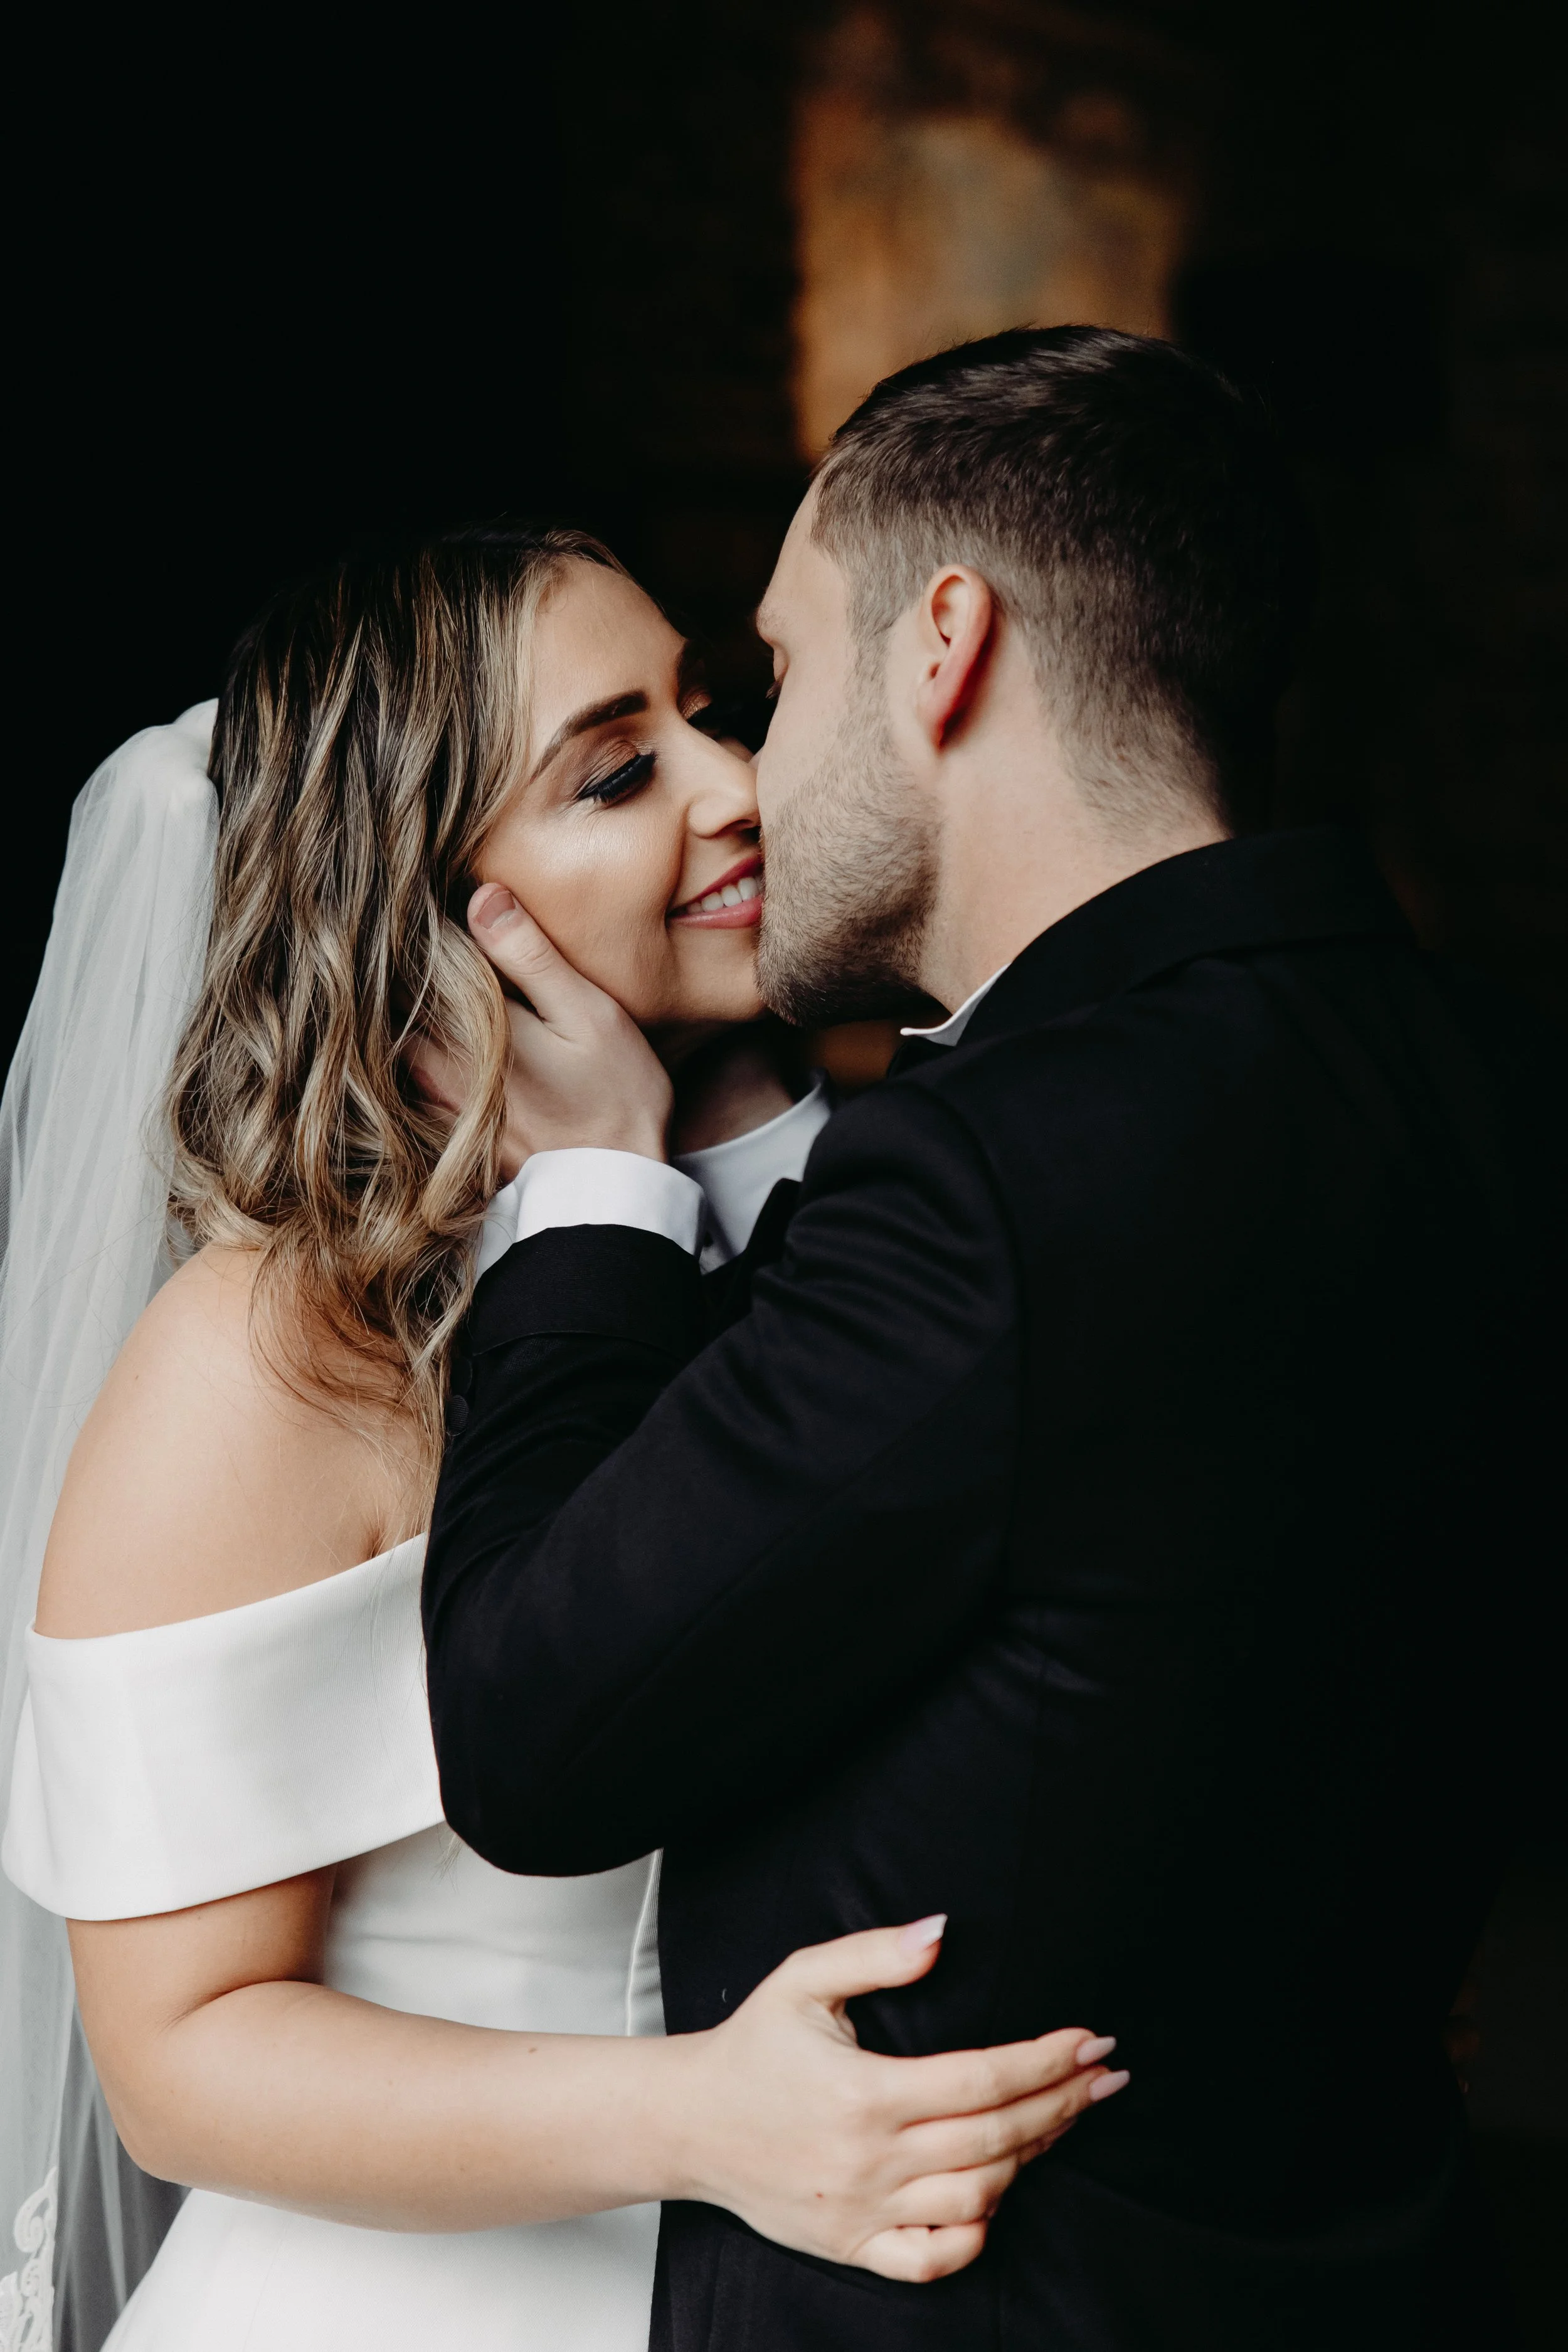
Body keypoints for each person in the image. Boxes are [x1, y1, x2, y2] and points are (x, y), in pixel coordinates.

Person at [422, 330, 1564, 2350]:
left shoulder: (992, 1175)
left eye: (772, 680)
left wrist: (592, 1185)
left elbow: (531, 1731)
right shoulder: (1490, 1081)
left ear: (941, 641)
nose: (750, 776)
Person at [0, 528, 1123, 2350]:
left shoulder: (861, 1222)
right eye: (617, 771)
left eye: (711, 712)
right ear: (424, 901)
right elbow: (181, 2060)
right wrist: (711, 2117)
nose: (740, 785)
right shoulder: (273, 1345)